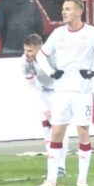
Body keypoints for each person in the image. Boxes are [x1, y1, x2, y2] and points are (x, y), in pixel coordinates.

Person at [35, 0, 94, 186]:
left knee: (82, 133)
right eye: (63, 9)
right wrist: (51, 72)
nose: (64, 12)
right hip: (61, 91)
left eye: (68, 9)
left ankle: (82, 180)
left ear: (79, 12)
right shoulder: (58, 33)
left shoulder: (91, 33)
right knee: (56, 133)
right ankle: (51, 180)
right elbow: (41, 55)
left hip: (82, 92)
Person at [20, 34, 58, 177]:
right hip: (43, 92)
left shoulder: (52, 58)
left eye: (30, 50)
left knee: (58, 129)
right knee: (47, 127)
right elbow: (33, 86)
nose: (26, 53)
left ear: (39, 50)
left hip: (59, 91)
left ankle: (60, 165)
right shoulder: (24, 62)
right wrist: (45, 108)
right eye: (25, 50)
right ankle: (53, 163)